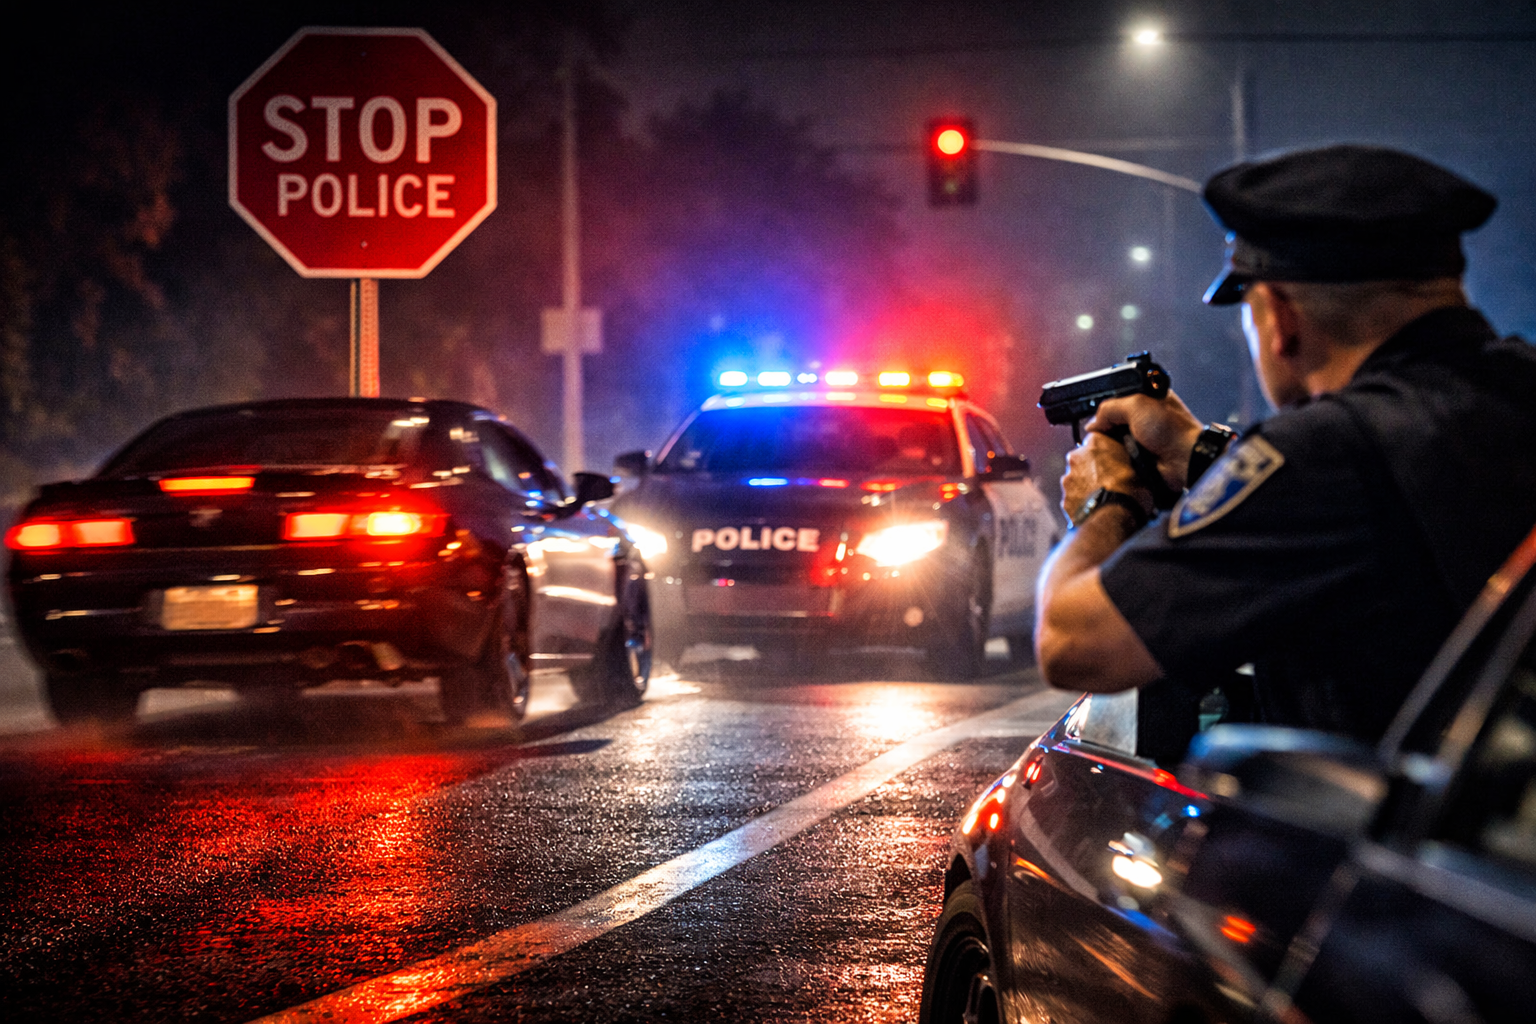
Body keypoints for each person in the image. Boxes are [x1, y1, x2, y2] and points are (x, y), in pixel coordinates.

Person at [1034, 144, 1536, 744]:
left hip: (1376, 829)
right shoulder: (1513, 390)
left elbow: (1073, 643)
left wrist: (1108, 502)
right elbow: (1414, 494)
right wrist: (1201, 453)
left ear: (1281, 317)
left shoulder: (1325, 456)